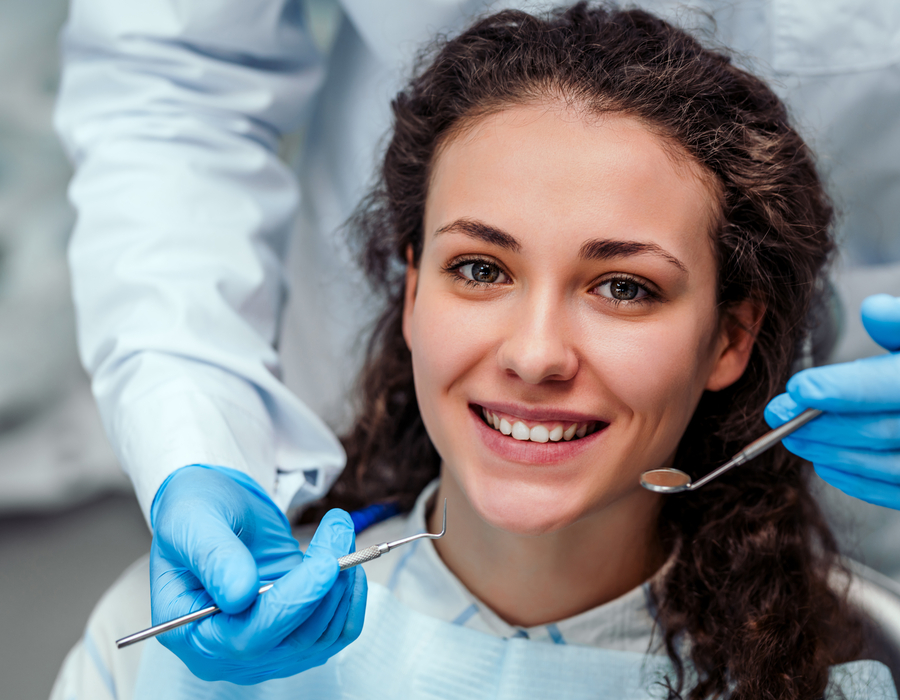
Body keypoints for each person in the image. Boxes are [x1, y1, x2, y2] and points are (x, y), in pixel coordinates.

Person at [52, 5, 898, 699]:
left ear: (732, 336)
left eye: (625, 287)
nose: (535, 356)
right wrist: (197, 434)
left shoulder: (853, 671)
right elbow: (171, 88)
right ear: (412, 290)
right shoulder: (155, 658)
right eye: (482, 268)